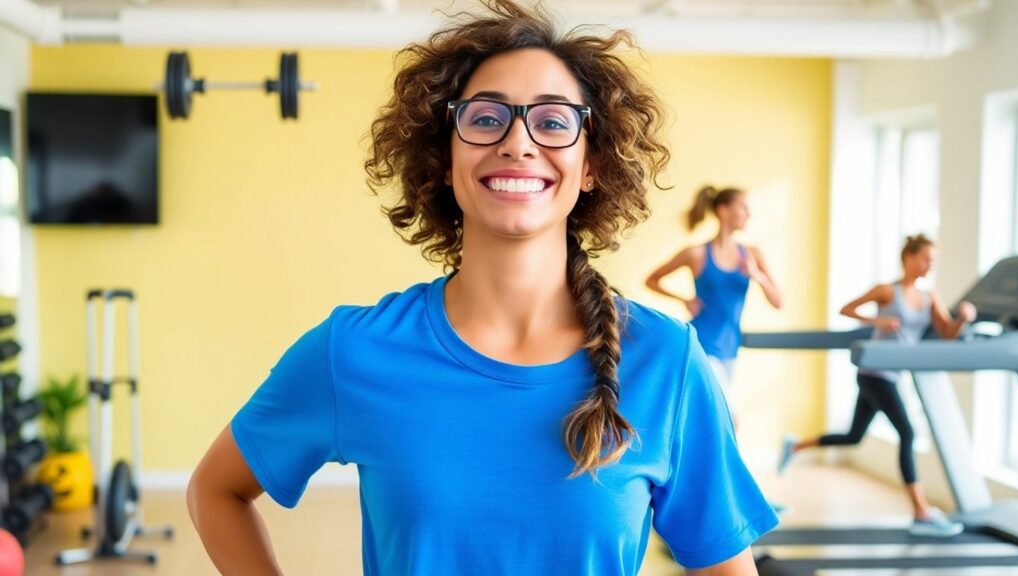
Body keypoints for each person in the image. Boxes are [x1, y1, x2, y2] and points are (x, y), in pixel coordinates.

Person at [187, 2, 778, 574]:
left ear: (591, 164)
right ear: (445, 156)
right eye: (486, 118)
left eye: (552, 121)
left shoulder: (667, 363)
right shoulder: (354, 350)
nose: (518, 143)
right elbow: (216, 491)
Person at [777, 234, 976, 537]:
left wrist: (962, 317)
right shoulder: (887, 291)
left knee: (853, 436)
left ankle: (796, 445)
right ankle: (921, 511)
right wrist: (877, 322)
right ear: (909, 257)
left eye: (933, 260)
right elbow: (846, 309)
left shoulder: (929, 296)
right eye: (925, 258)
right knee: (908, 432)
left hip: (893, 375)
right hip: (873, 373)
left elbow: (947, 333)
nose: (929, 265)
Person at [645, 186, 783, 417]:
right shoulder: (697, 253)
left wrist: (756, 275)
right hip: (703, 344)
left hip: (731, 347)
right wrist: (683, 299)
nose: (749, 214)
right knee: (730, 417)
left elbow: (778, 302)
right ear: (723, 211)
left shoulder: (752, 255)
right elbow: (652, 280)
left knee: (712, 417)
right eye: (744, 208)